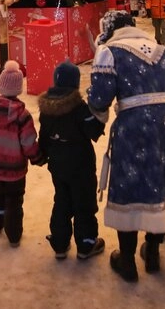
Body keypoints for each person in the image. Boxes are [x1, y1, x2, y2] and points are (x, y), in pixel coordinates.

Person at [88, 10, 165, 283]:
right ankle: (154, 253)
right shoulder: (164, 52)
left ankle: (127, 260)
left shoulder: (110, 51)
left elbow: (99, 98)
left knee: (131, 188)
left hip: (134, 128)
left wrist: (96, 115)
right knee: (160, 184)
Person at [37, 61, 106, 260]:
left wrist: (42, 155)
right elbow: (94, 130)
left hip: (58, 165)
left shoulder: (47, 109)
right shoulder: (79, 108)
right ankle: (86, 245)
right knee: (83, 204)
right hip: (81, 165)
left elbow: (44, 136)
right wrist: (99, 113)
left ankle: (59, 243)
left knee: (62, 201)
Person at [0, 61, 42, 247]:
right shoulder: (22, 116)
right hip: (15, 169)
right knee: (14, 201)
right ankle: (13, 235)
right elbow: (28, 142)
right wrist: (37, 157)